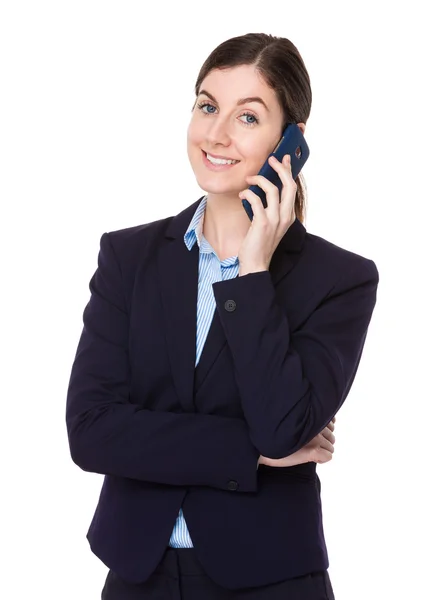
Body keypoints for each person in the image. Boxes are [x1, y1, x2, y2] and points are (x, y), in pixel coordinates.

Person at [66, 32, 379, 599]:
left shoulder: (339, 280)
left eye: (248, 117)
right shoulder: (128, 258)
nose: (216, 133)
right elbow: (91, 433)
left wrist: (253, 272)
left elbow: (283, 426)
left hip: (271, 579)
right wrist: (249, 452)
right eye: (208, 106)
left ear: (291, 141)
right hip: (139, 574)